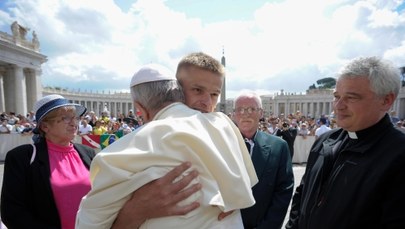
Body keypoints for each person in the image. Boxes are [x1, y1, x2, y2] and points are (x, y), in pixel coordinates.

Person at [76, 64, 257, 229]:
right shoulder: (224, 125)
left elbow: (88, 223)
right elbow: (247, 185)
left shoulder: (116, 155)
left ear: (140, 109)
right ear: (180, 95)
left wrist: (134, 213)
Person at [112, 52, 230, 228]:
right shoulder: (136, 146)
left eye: (214, 95)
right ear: (178, 92)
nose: (206, 102)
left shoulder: (224, 137)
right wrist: (136, 211)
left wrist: (235, 196)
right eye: (197, 90)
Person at [285, 56, 405, 229]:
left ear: (386, 100)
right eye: (336, 96)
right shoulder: (325, 141)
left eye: (351, 97)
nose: (338, 106)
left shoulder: (398, 155)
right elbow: (302, 194)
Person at [0, 94, 96, 229]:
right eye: (65, 118)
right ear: (45, 126)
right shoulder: (22, 157)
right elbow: (12, 213)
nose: (74, 123)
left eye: (75, 117)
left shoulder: (88, 152)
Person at [233, 91, 294, 229]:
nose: (246, 113)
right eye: (240, 109)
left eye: (251, 109)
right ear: (234, 114)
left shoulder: (278, 146)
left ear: (261, 113)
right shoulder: (220, 145)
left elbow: (284, 190)